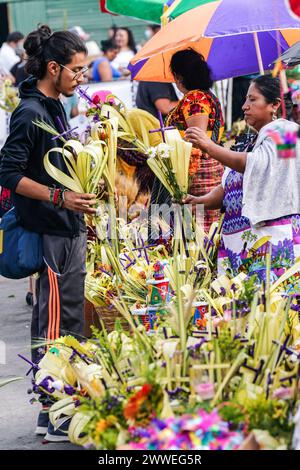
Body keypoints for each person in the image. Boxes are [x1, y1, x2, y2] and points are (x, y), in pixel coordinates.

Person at [0, 24, 96, 441]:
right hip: (51, 231)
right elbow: (8, 173)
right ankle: (54, 413)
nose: (82, 78)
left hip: (67, 228)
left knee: (69, 319)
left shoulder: (55, 105)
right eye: (77, 70)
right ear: (53, 68)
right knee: (55, 324)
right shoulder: (30, 112)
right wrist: (60, 198)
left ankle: (58, 408)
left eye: (86, 70)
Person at [184, 75, 300, 283]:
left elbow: (258, 165)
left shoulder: (287, 132)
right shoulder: (251, 140)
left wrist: (209, 147)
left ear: (274, 105)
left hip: (272, 239)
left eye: (253, 100)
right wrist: (201, 200)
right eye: (246, 99)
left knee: (273, 308)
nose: (245, 106)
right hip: (242, 245)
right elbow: (232, 185)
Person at [150, 48, 224, 236]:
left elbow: (196, 139)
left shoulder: (195, 98)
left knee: (197, 229)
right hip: (207, 165)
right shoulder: (207, 96)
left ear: (179, 76)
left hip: (195, 170)